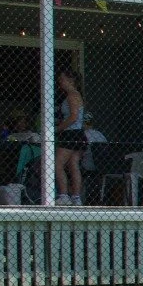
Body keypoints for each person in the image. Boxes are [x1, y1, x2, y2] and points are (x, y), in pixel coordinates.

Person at [54, 66, 87, 205]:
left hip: (70, 134)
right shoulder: (76, 94)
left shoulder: (72, 95)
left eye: (62, 79)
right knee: (73, 164)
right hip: (78, 134)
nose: (60, 81)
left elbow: (73, 117)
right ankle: (76, 197)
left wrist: (57, 129)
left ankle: (64, 195)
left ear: (71, 80)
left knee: (57, 164)